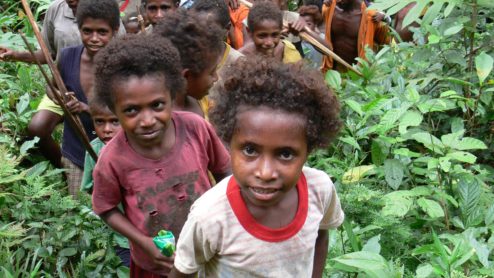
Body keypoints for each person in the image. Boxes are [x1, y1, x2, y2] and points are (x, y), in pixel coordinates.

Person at [169, 56, 344, 277]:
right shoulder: (210, 216)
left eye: (285, 154)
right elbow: (183, 271)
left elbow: (320, 236)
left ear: (308, 150)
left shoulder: (320, 190)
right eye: (250, 150)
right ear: (228, 143)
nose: (265, 172)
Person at [91, 34, 231, 277]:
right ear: (114, 109)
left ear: (172, 96)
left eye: (157, 105)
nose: (147, 121)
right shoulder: (112, 158)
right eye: (131, 110)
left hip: (208, 251)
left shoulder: (195, 128)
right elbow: (106, 208)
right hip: (157, 265)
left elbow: (225, 173)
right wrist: (142, 242)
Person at [53, 0, 121, 197]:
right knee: (79, 210)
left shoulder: (123, 63)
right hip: (76, 150)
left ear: (115, 30)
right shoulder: (67, 56)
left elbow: (129, 109)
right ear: (79, 28)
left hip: (116, 153)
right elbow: (52, 87)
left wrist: (86, 108)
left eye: (102, 32)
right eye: (87, 31)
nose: (94, 38)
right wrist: (60, 97)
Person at [80, 96, 130, 267]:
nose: (107, 129)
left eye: (115, 122)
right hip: (120, 235)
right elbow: (89, 189)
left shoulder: (139, 147)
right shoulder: (94, 150)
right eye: (99, 122)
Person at [154, 9, 224, 118]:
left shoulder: (200, 101)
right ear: (186, 77)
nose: (216, 78)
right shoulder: (168, 120)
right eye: (211, 72)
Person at [191, 0, 244, 119]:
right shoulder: (188, 59)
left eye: (210, 29)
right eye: (196, 28)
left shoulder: (238, 63)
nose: (202, 34)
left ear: (226, 29)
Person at [321, 0, 390, 72]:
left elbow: (386, 45)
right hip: (334, 72)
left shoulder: (372, 16)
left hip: (360, 75)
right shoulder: (329, 7)